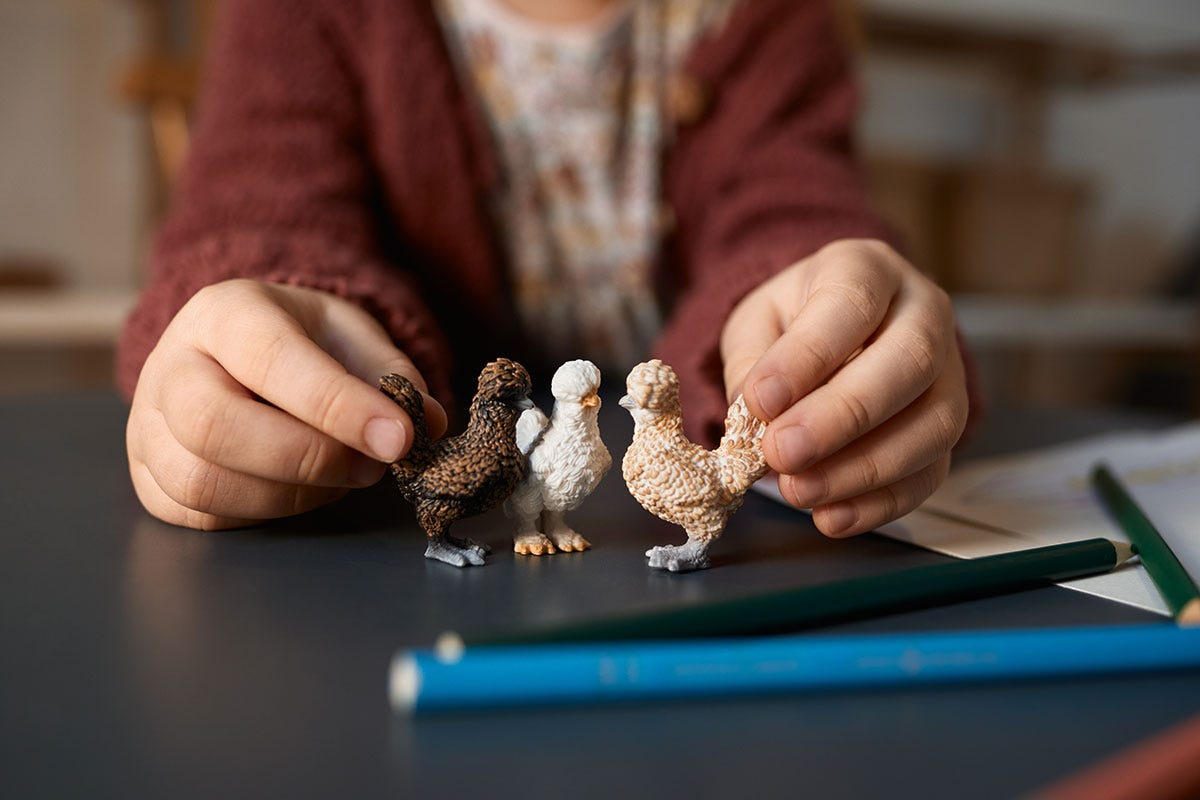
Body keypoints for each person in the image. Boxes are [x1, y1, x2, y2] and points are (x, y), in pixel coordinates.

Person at [119, 0, 973, 539]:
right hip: (384, 529)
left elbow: (792, 200)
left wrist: (826, 301)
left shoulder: (763, 16)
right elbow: (261, 208)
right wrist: (266, 318)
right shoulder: (303, 16)